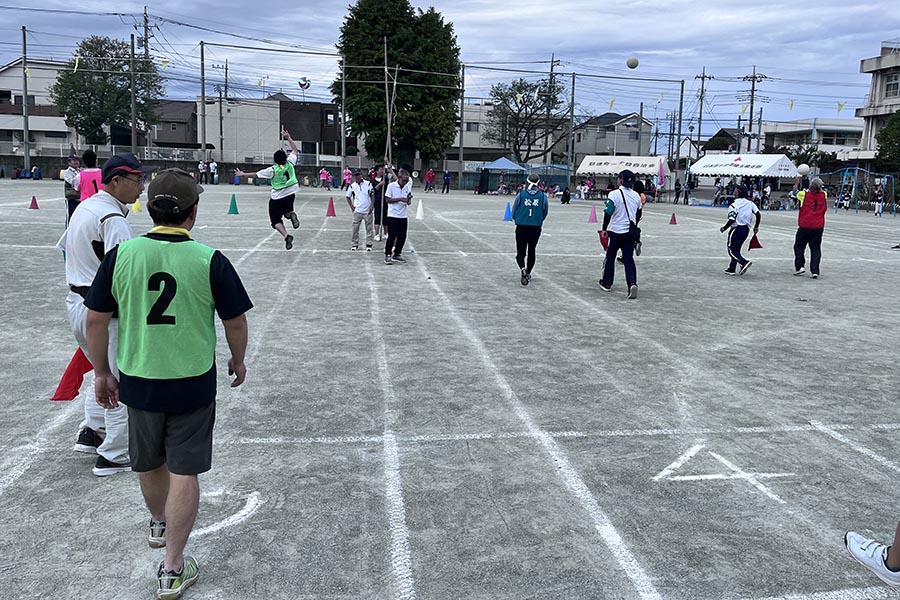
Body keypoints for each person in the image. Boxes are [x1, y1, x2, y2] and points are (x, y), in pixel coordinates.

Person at [84, 168, 252, 600]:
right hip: (192, 380)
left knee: (149, 461)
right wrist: (238, 359)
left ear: (149, 207)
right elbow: (235, 320)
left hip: (139, 377)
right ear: (192, 213)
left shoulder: (122, 255)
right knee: (185, 469)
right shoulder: (208, 259)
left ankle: (159, 521)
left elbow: (96, 319)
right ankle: (173, 566)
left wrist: (102, 371)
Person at [56, 152, 157, 476]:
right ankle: (115, 452)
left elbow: (63, 247)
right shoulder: (113, 220)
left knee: (101, 370)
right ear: (116, 181)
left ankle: (92, 429)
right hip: (103, 311)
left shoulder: (87, 206)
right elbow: (123, 271)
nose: (142, 187)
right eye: (138, 180)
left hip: (76, 301)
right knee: (118, 378)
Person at [234, 129, 301, 250]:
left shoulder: (273, 170)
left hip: (277, 197)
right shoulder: (290, 163)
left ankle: (286, 236)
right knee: (287, 212)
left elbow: (256, 174)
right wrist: (288, 137)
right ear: (285, 158)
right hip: (291, 192)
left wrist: (242, 174)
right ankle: (291, 214)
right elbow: (295, 150)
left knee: (275, 220)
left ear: (275, 160)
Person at [599, 170, 642, 299]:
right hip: (629, 232)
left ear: (621, 180)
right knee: (628, 259)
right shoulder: (636, 196)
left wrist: (604, 228)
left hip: (616, 231)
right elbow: (639, 213)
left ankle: (607, 283)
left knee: (610, 256)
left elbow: (608, 212)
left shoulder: (614, 194)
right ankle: (632, 283)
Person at [512, 173, 548, 286]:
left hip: (521, 226)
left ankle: (522, 268)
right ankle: (528, 272)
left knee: (520, 253)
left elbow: (514, 209)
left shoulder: (521, 195)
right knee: (532, 251)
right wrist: (539, 220)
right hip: (535, 228)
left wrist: (515, 218)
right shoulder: (542, 196)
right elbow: (545, 211)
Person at [720, 185, 761, 276]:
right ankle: (732, 268)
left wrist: (724, 228)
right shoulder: (750, 203)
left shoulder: (734, 205)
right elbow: (758, 214)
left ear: (738, 193)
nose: (733, 192)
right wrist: (756, 226)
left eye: (735, 191)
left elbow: (732, 219)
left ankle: (743, 262)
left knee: (731, 249)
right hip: (746, 229)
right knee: (737, 248)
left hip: (736, 228)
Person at [793, 177, 827, 278]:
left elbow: (795, 192)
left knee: (799, 246)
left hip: (805, 225)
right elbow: (820, 190)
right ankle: (815, 270)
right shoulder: (824, 195)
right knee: (815, 249)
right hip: (818, 226)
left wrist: (798, 182)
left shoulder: (804, 195)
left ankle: (800, 266)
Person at [383, 168, 413, 265]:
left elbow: (408, 202)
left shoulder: (407, 187)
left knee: (402, 236)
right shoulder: (391, 186)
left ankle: (397, 253)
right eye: (404, 180)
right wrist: (400, 199)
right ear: (399, 178)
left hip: (403, 215)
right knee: (392, 236)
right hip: (393, 215)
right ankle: (388, 254)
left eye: (407, 181)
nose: (405, 182)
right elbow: (387, 200)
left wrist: (408, 200)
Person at [345, 169, 375, 251]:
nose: (357, 177)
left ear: (361, 175)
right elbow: (348, 197)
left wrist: (372, 205)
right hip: (357, 210)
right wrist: (352, 207)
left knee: (369, 228)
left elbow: (372, 195)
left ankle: (369, 244)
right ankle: (354, 244)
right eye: (355, 175)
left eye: (358, 175)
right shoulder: (352, 186)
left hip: (367, 210)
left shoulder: (368, 184)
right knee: (355, 228)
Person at [63, 154, 81, 224]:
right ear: (69, 162)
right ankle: (68, 232)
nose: (76, 162)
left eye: (77, 160)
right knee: (70, 217)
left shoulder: (80, 171)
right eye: (74, 160)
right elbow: (72, 182)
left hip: (80, 198)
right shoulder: (67, 172)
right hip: (71, 198)